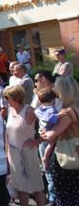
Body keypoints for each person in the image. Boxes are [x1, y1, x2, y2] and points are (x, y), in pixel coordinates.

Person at [3, 85, 46, 206]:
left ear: (15, 97)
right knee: (21, 188)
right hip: (13, 154)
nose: (5, 100)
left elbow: (47, 127)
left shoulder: (29, 111)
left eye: (7, 97)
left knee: (37, 188)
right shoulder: (10, 110)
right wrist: (6, 153)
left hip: (28, 153)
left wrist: (37, 141)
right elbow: (7, 133)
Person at [41, 76, 79, 205]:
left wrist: (44, 133)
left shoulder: (67, 112)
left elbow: (51, 135)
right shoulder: (76, 108)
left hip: (67, 158)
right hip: (75, 153)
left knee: (67, 197)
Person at [34, 87, 59, 169]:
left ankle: (42, 159)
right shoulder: (52, 111)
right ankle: (45, 157)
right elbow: (54, 120)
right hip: (49, 131)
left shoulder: (40, 109)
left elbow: (36, 115)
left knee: (43, 146)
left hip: (41, 131)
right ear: (53, 99)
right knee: (51, 144)